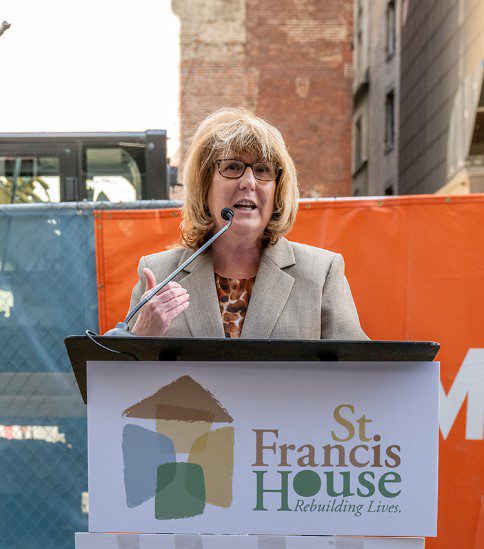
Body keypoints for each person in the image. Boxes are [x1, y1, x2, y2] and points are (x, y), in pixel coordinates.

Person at [127, 107, 368, 340]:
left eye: (263, 170)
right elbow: (117, 372)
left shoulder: (322, 274)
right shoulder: (159, 275)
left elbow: (359, 373)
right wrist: (141, 335)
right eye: (232, 167)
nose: (249, 182)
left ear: (278, 190)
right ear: (204, 185)